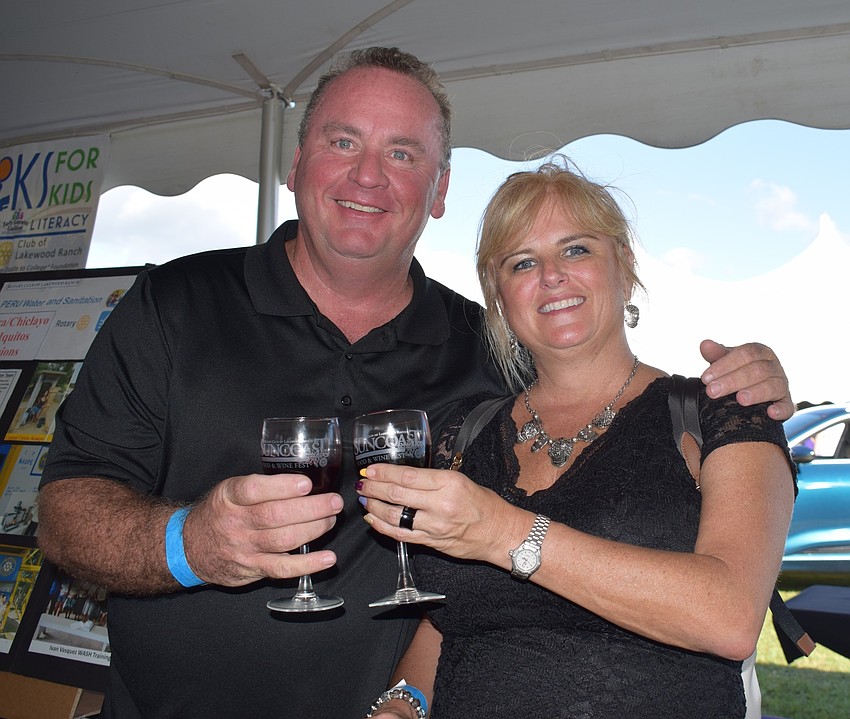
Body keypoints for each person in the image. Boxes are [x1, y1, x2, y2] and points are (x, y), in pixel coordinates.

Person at [36, 48, 793, 718]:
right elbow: (65, 514)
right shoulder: (174, 304)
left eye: (402, 153)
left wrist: (751, 378)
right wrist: (188, 542)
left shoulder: (486, 354)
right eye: (343, 141)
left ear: (437, 189)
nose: (368, 175)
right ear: (295, 165)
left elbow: (599, 375)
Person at [356, 159, 797, 719]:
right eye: (522, 262)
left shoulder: (722, 410)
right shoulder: (462, 433)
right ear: (498, 296)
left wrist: (504, 532)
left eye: (576, 249)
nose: (551, 275)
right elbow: (453, 618)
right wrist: (402, 703)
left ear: (625, 263)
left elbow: (731, 617)